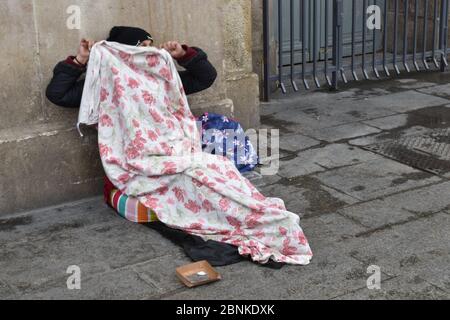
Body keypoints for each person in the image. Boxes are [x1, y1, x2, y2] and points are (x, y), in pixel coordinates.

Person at [46, 26, 217, 109]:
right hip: (127, 163)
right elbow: (58, 95)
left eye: (150, 45)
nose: (148, 49)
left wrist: (182, 55)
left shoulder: (160, 79)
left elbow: (206, 78)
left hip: (168, 153)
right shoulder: (105, 85)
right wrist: (80, 59)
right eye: (141, 45)